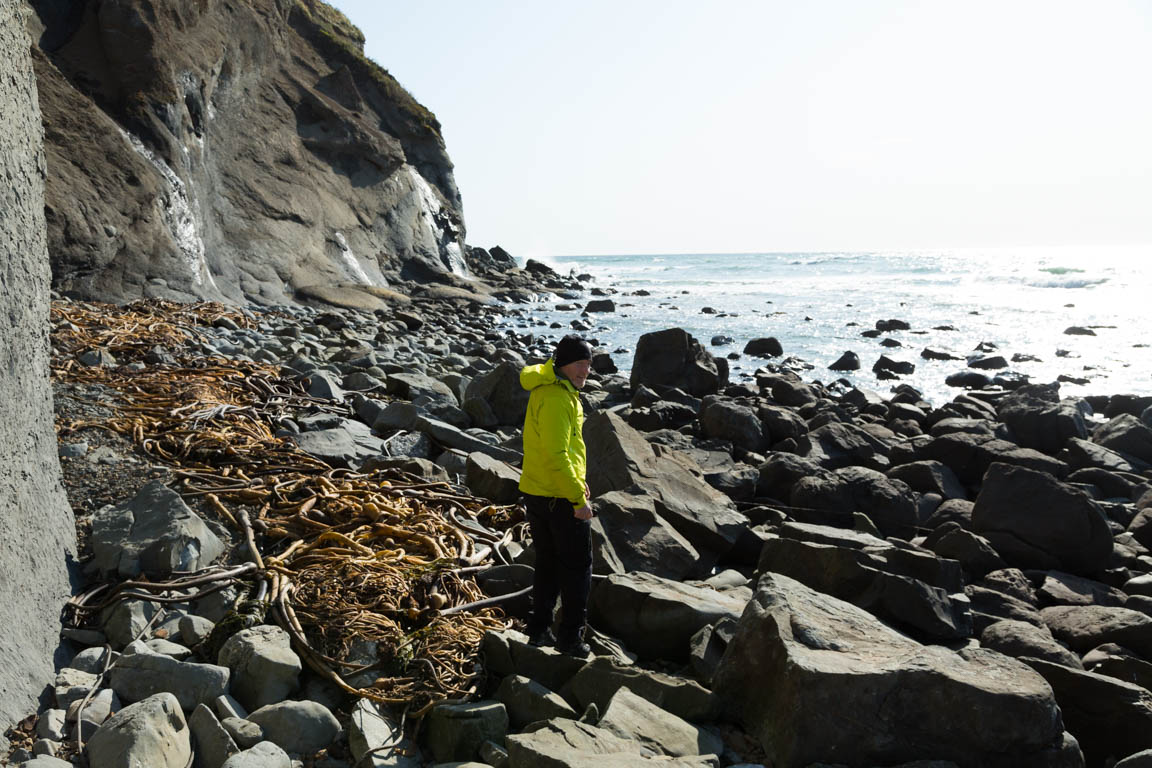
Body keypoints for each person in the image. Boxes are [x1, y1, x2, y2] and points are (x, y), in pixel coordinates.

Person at [518, 335, 594, 656]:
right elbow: (556, 454)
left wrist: (577, 483)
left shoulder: (554, 388)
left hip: (538, 491)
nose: (585, 371)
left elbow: (559, 453)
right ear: (562, 364)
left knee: (547, 564)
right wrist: (578, 498)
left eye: (588, 365)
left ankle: (538, 630)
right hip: (558, 498)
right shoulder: (557, 398)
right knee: (578, 567)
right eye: (579, 364)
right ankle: (570, 638)